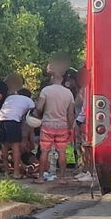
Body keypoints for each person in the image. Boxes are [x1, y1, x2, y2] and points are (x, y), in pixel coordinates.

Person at [34, 54, 76, 184]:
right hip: (62, 125)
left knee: (44, 152)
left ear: (52, 78)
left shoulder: (46, 91)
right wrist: (70, 128)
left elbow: (39, 108)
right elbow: (70, 113)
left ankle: (41, 177)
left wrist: (36, 112)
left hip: (47, 124)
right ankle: (62, 178)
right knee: (62, 152)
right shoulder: (68, 93)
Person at [0, 84, 35, 179]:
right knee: (15, 146)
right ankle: (16, 173)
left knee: (4, 145)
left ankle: (6, 170)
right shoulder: (29, 101)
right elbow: (33, 113)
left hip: (1, 120)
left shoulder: (10, 97)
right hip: (13, 121)